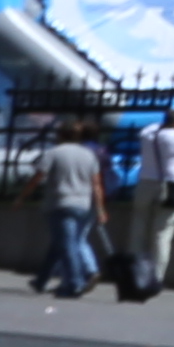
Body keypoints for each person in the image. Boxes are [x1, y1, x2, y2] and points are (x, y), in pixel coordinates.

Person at [132, 105, 174, 301]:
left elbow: (146, 132)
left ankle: (135, 273)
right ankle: (157, 278)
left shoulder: (148, 133)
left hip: (145, 182)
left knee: (138, 229)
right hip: (169, 185)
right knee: (162, 235)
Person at [38, 120, 105, 300]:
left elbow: (39, 175)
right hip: (83, 204)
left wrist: (21, 197)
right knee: (63, 241)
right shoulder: (89, 155)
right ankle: (41, 279)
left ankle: (76, 282)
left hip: (60, 203)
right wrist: (100, 209)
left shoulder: (53, 153)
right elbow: (96, 184)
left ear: (60, 135)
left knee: (68, 244)